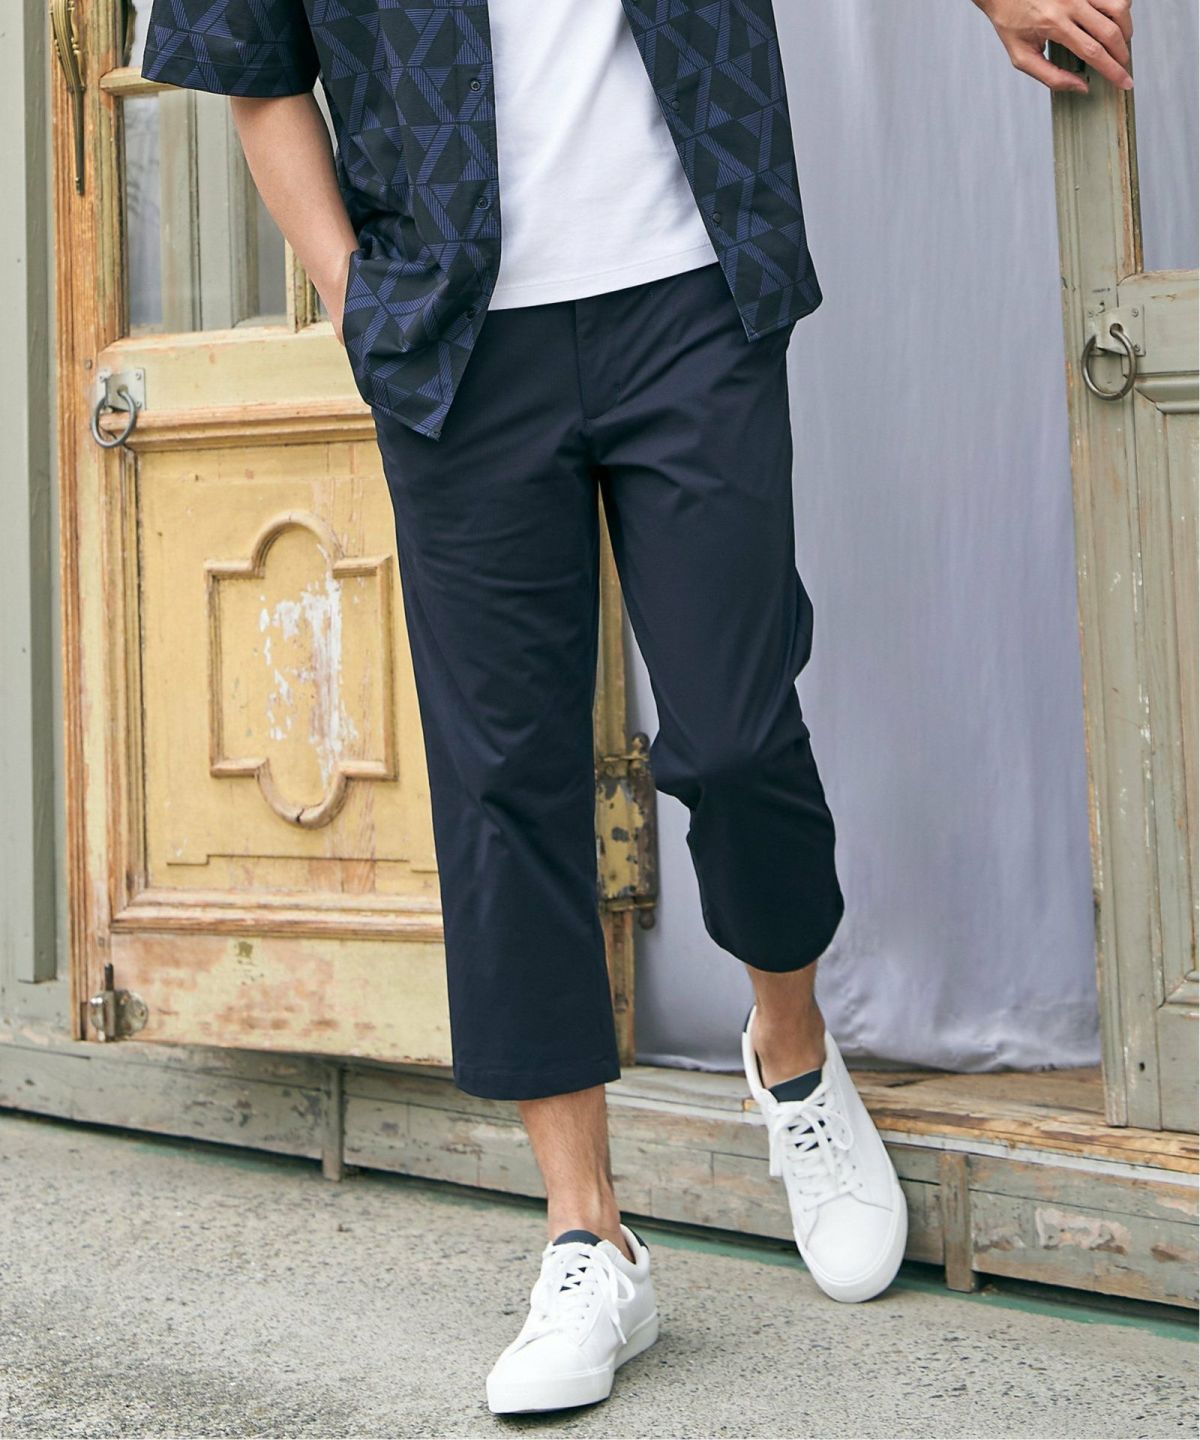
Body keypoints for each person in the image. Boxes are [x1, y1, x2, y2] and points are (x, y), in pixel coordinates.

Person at [140, 0, 1133, 1415]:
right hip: (457, 332)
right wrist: (353, 293)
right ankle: (586, 1234)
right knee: (506, 779)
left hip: (688, 287)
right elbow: (253, 69)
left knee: (735, 730)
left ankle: (792, 1057)